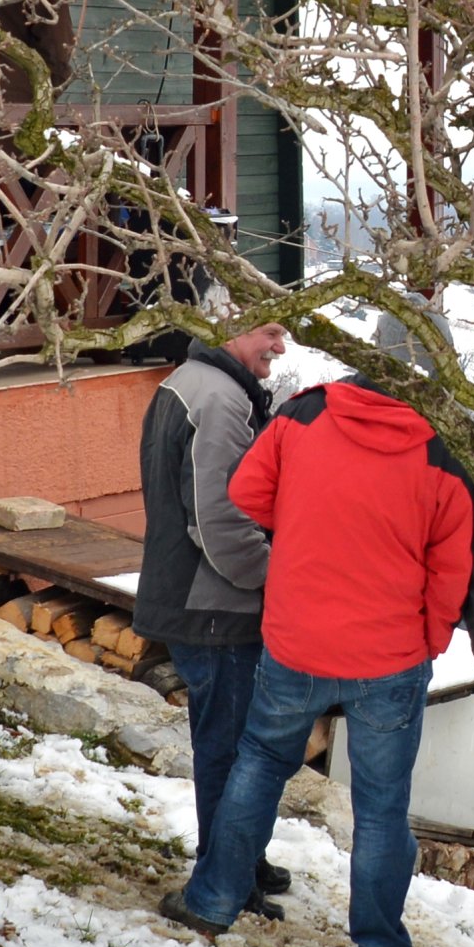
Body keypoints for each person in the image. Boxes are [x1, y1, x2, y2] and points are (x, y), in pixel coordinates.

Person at [160, 379, 473, 947]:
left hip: (297, 638)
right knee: (382, 810)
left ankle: (212, 902)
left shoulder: (305, 413)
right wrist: (430, 640)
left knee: (259, 766)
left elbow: (247, 492)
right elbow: (451, 566)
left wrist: (307, 513)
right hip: (390, 653)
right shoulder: (442, 448)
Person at [132, 316, 290, 912]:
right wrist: (276, 578)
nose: (279, 346)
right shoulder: (220, 400)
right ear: (231, 329)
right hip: (215, 605)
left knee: (225, 741)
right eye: (269, 333)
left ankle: (238, 856)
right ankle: (227, 875)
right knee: (229, 746)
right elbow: (219, 522)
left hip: (195, 597)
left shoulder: (190, 381)